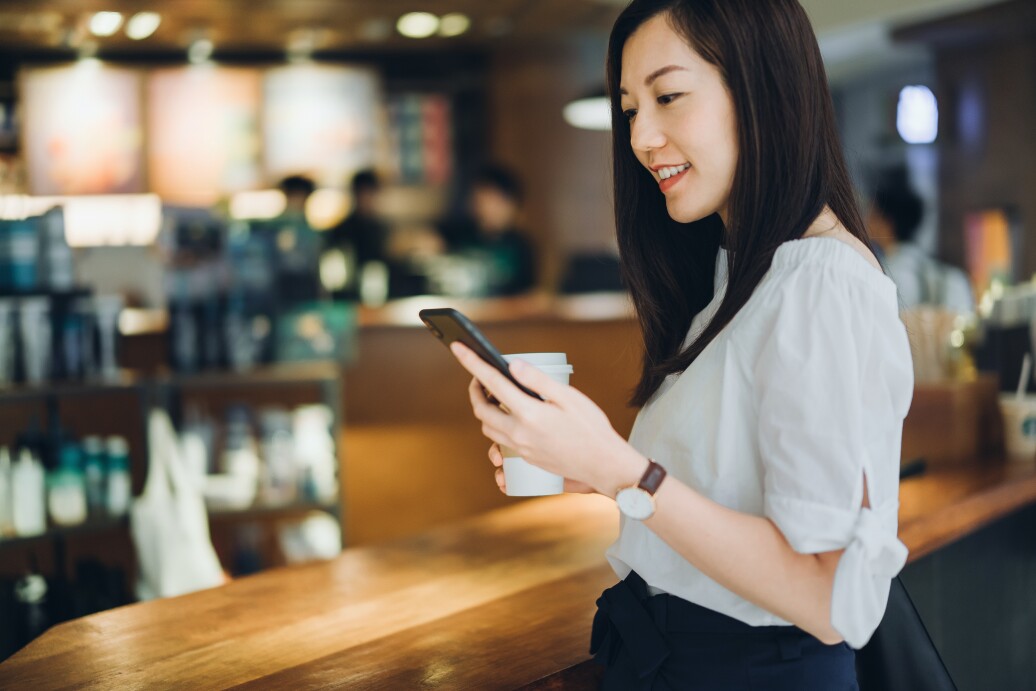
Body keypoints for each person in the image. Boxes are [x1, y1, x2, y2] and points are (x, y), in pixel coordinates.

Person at [448, 1, 913, 688]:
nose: (641, 137)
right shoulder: (739, 274)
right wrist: (593, 469)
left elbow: (826, 596)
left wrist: (623, 472)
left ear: (762, 90)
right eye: (631, 109)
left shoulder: (821, 281)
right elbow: (738, 496)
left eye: (668, 97)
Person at [868, 166, 974, 314]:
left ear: (887, 223)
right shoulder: (944, 273)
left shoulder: (889, 273)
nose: (865, 220)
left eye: (872, 214)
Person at [442, 164, 537, 296]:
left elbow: (528, 293)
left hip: (504, 308)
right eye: (487, 200)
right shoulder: (457, 234)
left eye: (500, 202)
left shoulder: (522, 246)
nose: (492, 208)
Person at [325, 169, 391, 271]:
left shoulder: (381, 229)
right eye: (362, 193)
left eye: (369, 193)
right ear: (355, 194)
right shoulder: (342, 229)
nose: (366, 199)